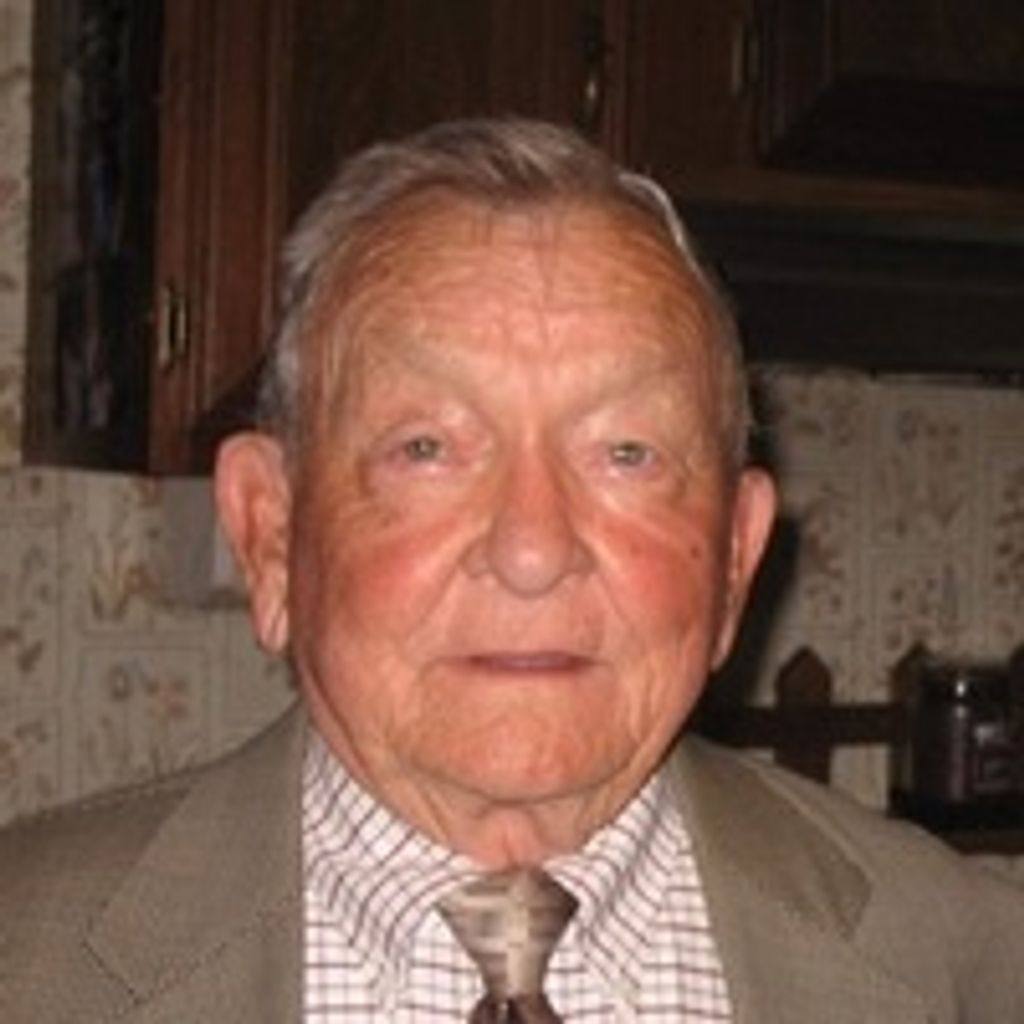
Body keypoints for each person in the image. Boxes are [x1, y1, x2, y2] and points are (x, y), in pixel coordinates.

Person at [2, 118, 1023, 1023]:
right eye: (427, 449)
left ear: (733, 562)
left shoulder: (973, 966)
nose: (533, 550)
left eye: (626, 453)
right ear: (271, 536)